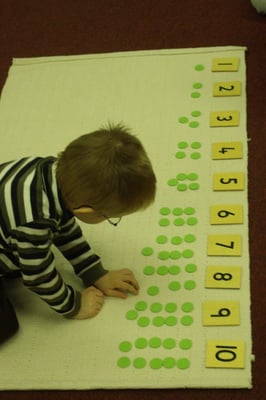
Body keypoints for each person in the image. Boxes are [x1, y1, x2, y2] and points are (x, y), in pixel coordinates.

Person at [0, 123, 156, 344]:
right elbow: (37, 277)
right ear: (86, 211)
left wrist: (94, 272)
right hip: (15, 234)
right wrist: (73, 305)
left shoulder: (53, 174)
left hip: (10, 227)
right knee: (5, 327)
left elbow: (65, 227)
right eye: (109, 216)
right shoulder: (34, 222)